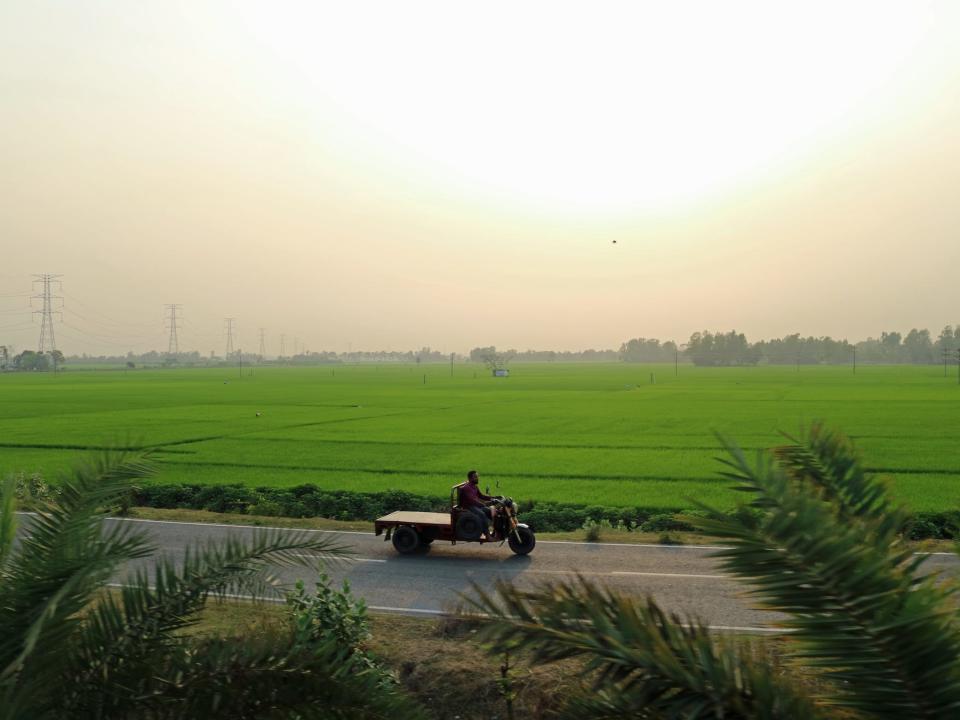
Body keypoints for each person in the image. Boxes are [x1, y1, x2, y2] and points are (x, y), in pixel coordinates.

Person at [458, 470, 496, 540]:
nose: (477, 478)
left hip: (474, 506)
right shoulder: (466, 488)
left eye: (477, 476)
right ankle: (487, 535)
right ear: (470, 478)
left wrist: (494, 498)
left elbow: (481, 496)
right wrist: (483, 504)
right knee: (482, 514)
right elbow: (472, 500)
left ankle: (495, 531)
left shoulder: (474, 486)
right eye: (475, 477)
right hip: (468, 507)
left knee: (490, 511)